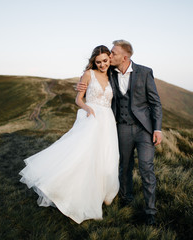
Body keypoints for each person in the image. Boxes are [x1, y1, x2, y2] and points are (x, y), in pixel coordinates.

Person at [19, 45, 119, 224]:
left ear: (110, 59)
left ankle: (103, 193)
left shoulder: (114, 75)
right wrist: (87, 107)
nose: (102, 65)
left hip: (108, 122)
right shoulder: (89, 74)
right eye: (98, 62)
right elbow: (78, 99)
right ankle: (68, 190)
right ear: (93, 62)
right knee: (83, 155)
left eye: (105, 61)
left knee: (107, 157)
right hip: (92, 118)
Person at [77, 40, 162, 226]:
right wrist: (80, 87)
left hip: (144, 130)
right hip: (121, 127)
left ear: (124, 57)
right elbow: (93, 83)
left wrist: (157, 129)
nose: (110, 56)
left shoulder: (145, 72)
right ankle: (126, 200)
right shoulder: (110, 73)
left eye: (113, 53)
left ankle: (150, 211)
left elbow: (155, 103)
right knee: (124, 166)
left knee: (146, 168)